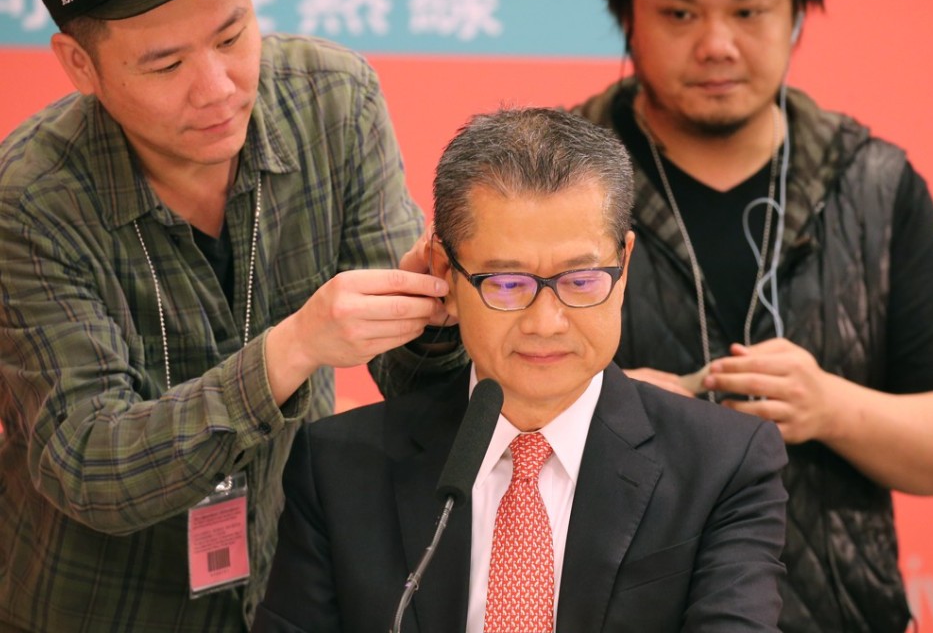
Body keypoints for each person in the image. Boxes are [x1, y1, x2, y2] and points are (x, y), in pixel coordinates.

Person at [0, 0, 465, 630]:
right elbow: (90, 464)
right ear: (79, 64)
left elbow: (412, 377)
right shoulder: (29, 201)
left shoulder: (332, 101)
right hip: (94, 603)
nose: (217, 88)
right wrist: (291, 349)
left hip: (287, 579)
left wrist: (436, 317)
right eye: (166, 65)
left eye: (231, 36)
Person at [573, 0, 933, 630]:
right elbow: (459, 424)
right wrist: (597, 416)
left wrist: (829, 406)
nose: (717, 44)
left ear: (798, 12)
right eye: (679, 13)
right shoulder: (551, 182)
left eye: (749, 11)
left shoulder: (874, 185)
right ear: (627, 15)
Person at [253, 107, 789, 632]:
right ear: (446, 271)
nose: (546, 322)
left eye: (580, 281)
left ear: (623, 266)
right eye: (508, 285)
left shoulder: (725, 466)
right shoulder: (340, 466)